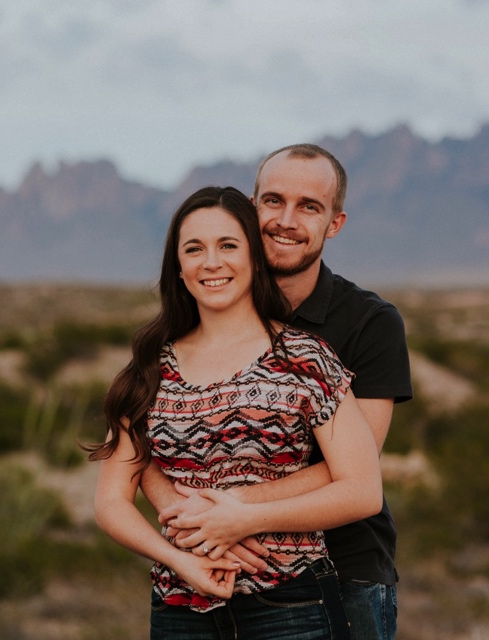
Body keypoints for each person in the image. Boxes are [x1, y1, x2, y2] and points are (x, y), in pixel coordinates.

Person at [87, 186, 385, 640]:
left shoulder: (305, 359)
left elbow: (362, 490)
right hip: (179, 602)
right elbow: (111, 502)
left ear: (253, 259)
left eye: (228, 245)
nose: (212, 262)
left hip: (291, 602)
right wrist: (180, 558)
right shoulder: (150, 368)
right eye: (194, 249)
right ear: (179, 268)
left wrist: (244, 519)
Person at [144, 145, 413, 640]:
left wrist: (236, 513)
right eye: (273, 201)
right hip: (209, 568)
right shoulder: (202, 315)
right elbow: (149, 450)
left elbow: (355, 467)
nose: (286, 220)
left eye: (309, 206)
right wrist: (196, 521)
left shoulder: (369, 324)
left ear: (334, 223)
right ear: (251, 207)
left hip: (344, 565)